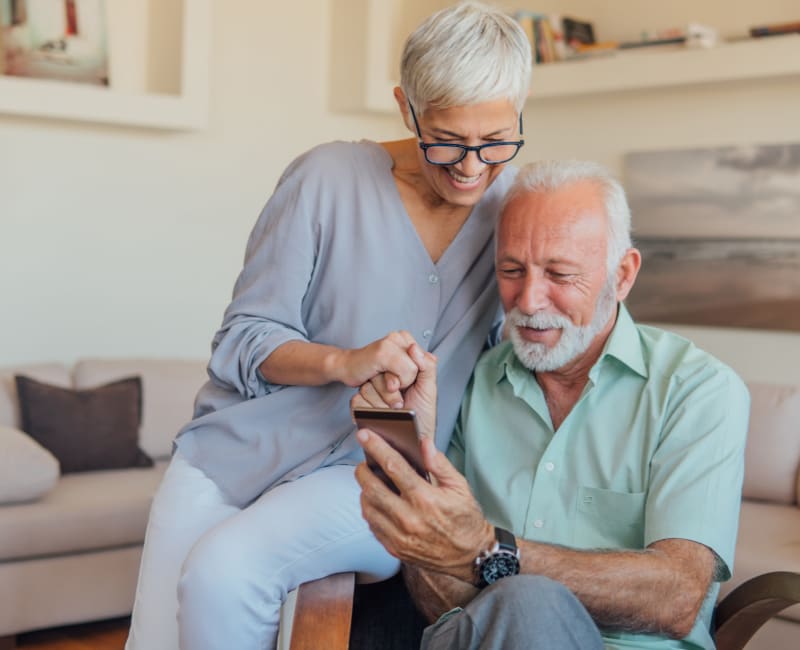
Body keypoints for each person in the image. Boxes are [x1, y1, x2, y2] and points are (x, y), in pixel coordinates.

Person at [125, 3, 532, 649]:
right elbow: (243, 339)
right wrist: (344, 363)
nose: (472, 167)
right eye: (448, 141)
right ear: (408, 109)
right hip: (236, 452)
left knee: (222, 576)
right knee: (154, 641)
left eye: (497, 142)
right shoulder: (326, 177)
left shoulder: (517, 210)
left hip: (377, 472)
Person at [353, 159, 750, 650]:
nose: (529, 300)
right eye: (511, 270)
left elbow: (677, 596)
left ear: (622, 275)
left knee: (529, 602)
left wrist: (487, 550)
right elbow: (441, 601)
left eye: (559, 274)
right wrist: (415, 466)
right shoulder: (473, 381)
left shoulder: (698, 390)